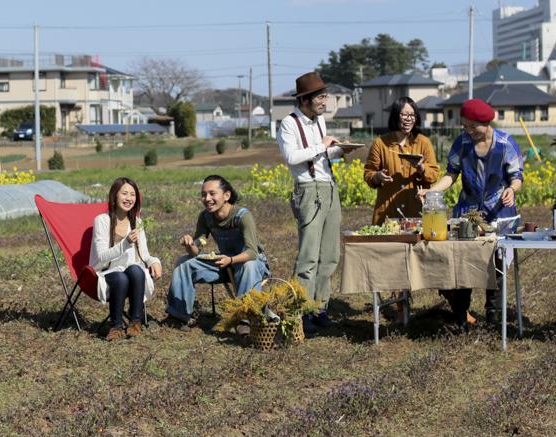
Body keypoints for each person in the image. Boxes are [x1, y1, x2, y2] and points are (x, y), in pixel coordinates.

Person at [422, 99, 524, 326]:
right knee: (463, 261)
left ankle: (494, 314)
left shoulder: (505, 143)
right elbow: (452, 173)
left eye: (472, 126)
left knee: (496, 263)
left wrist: (511, 189)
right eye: (465, 126)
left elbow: (517, 176)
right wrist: (432, 191)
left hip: (499, 210)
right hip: (468, 211)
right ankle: (460, 314)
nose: (468, 131)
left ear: (486, 122)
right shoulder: (462, 143)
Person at [278, 72, 357, 332]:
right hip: (308, 190)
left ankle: (319, 308)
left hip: (329, 187)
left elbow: (322, 155)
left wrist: (339, 149)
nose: (325, 101)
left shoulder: (319, 121)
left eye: (325, 96)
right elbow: (292, 157)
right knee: (309, 256)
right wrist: (323, 146)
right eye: (321, 97)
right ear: (306, 98)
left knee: (330, 255)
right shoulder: (289, 124)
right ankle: (299, 311)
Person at [164, 175, 270, 334]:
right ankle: (177, 316)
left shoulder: (242, 216)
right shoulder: (206, 217)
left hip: (252, 264)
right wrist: (190, 245)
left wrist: (231, 260)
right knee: (185, 262)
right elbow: (199, 245)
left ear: (226, 196)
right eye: (203, 194)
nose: (207, 198)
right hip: (226, 264)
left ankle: (245, 321)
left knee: (248, 265)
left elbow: (252, 253)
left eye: (212, 194)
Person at [90, 177, 163, 340]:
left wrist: (155, 261)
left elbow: (144, 255)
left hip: (130, 272)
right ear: (114, 196)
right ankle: (115, 327)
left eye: (133, 194)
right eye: (124, 194)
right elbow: (102, 257)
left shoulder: (137, 222)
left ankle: (135, 322)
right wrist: (126, 243)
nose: (129, 198)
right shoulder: (102, 220)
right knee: (121, 278)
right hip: (106, 272)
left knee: (137, 270)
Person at [364, 97, 441, 225]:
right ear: (395, 116)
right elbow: (369, 174)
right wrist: (378, 176)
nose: (409, 118)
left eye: (412, 115)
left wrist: (421, 168)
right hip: (388, 214)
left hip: (417, 213)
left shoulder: (423, 142)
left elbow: (433, 175)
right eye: (404, 114)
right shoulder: (380, 143)